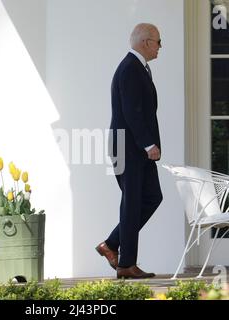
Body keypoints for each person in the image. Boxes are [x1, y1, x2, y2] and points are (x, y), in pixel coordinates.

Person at [96, 23, 163, 279]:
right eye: (158, 41)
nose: (160, 47)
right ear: (146, 42)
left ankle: (111, 245)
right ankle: (126, 264)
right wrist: (149, 143)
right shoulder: (129, 68)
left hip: (136, 148)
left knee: (151, 197)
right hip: (129, 147)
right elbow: (131, 111)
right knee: (132, 203)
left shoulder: (138, 68)